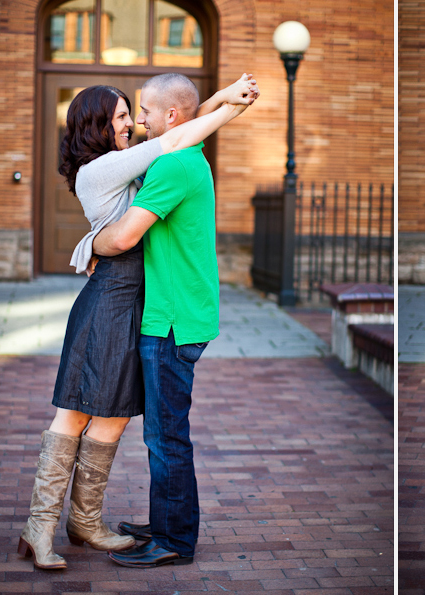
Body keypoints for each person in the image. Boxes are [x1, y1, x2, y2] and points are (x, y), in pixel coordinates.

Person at [18, 76, 259, 571]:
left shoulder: (147, 158)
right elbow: (173, 132)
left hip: (143, 308)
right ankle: (38, 527)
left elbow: (177, 125)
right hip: (110, 302)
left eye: (137, 112)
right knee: (77, 413)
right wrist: (93, 245)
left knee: (114, 418)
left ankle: (85, 522)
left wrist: (221, 102)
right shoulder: (102, 169)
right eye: (123, 116)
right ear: (97, 127)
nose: (134, 122)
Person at [81, 73, 237, 568]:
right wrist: (222, 100)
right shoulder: (182, 154)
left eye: (145, 110)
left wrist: (89, 245)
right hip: (176, 314)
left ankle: (174, 540)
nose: (140, 118)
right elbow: (187, 116)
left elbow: (125, 237)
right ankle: (168, 521)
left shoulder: (174, 166)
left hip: (172, 321)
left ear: (171, 117)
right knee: (164, 433)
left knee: (166, 436)